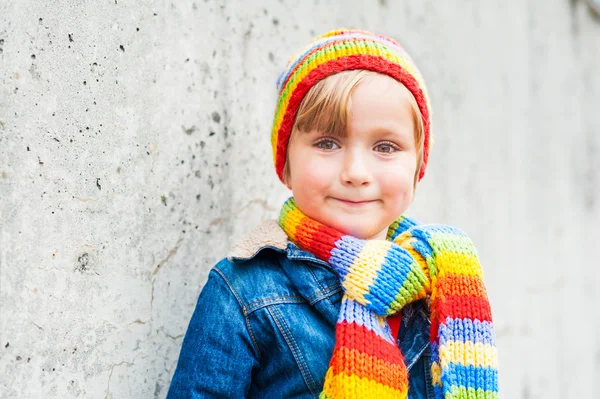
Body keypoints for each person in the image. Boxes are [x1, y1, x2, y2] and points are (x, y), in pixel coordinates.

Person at [166, 29, 499, 399]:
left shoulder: (440, 284)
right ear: (287, 165)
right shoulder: (243, 291)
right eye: (327, 143)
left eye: (385, 147)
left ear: (418, 167)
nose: (356, 172)